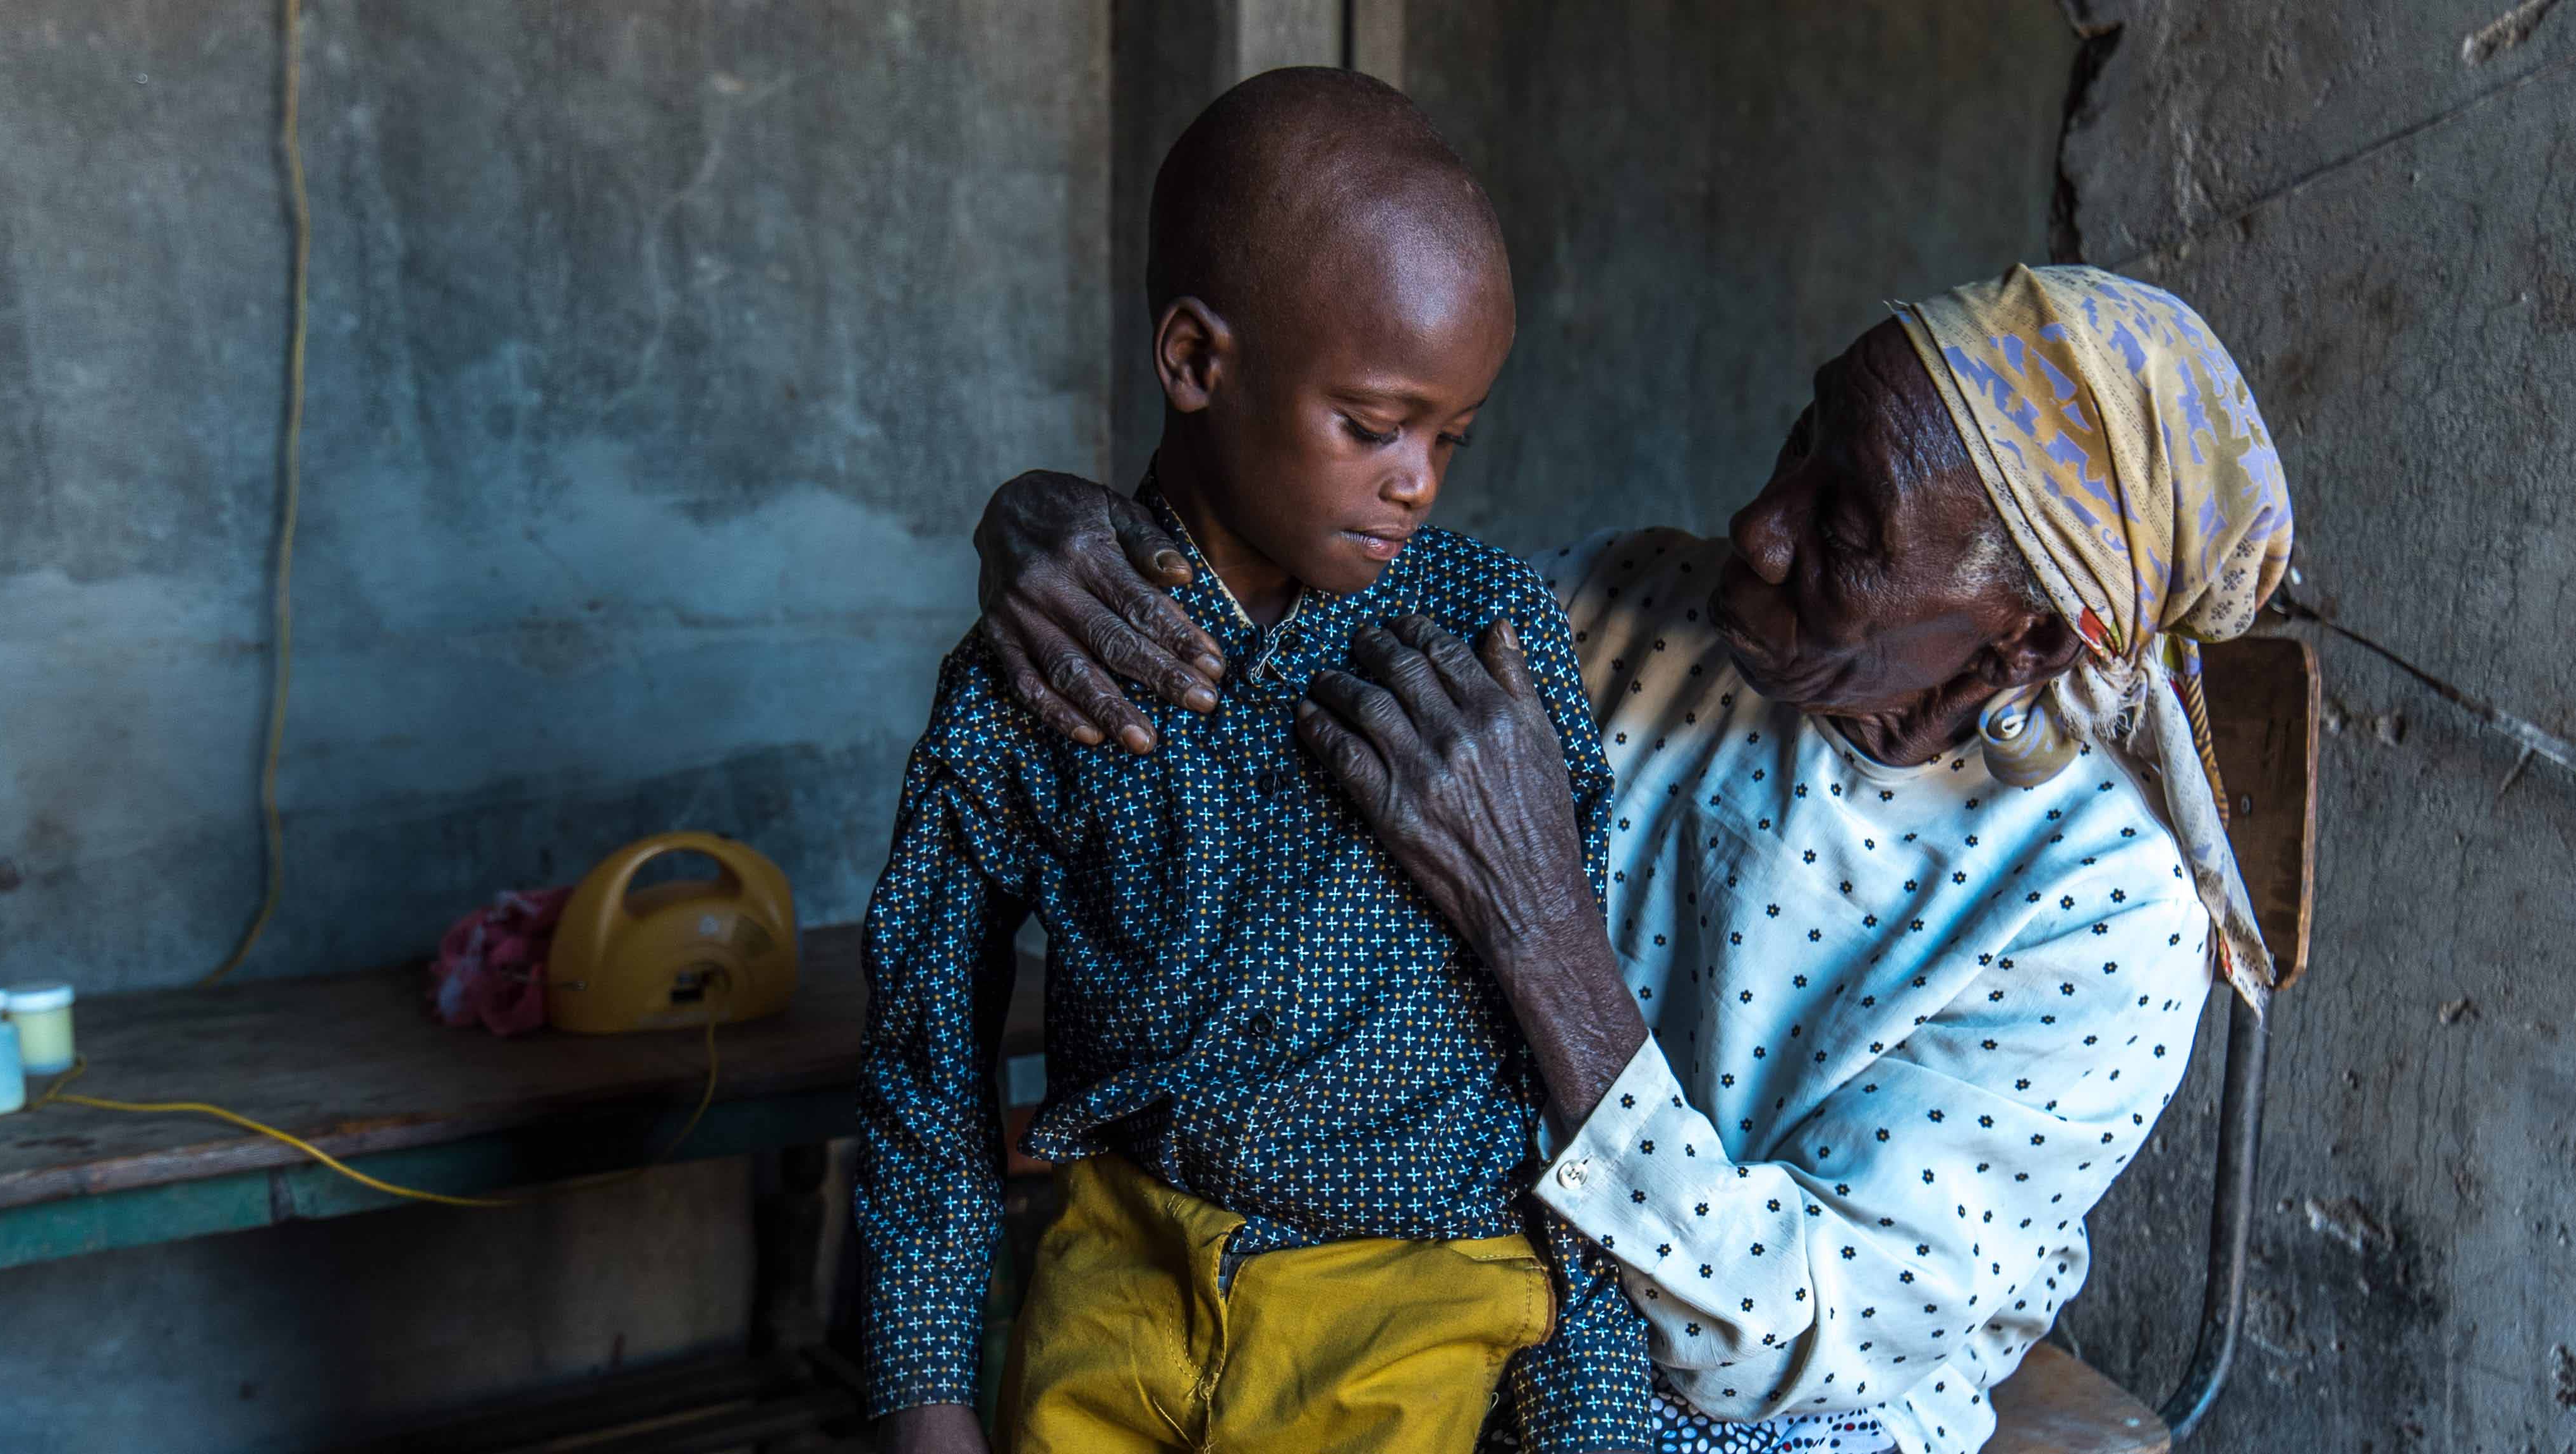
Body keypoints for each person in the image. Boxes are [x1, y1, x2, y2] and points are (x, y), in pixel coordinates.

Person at [961, 264, 2292, 1454]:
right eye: (1803, 438)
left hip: (1761, 1402)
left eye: (1845, 530)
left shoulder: (2102, 913)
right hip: (1467, 1266)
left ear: (2029, 642)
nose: (1759, 524)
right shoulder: (1641, 603)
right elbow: (1288, 637)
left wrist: (1538, 922)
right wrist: (1070, 531)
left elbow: (1765, 1348)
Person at [853, 68, 1655, 1454]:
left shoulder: (1485, 635)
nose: (1419, 480)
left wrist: (1592, 1407)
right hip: (1117, 1296)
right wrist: (928, 1407)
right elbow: (926, 1065)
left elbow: (1556, 1044)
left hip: (1404, 1316)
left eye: (1451, 437)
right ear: (1197, 361)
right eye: (1373, 423)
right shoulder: (1031, 676)